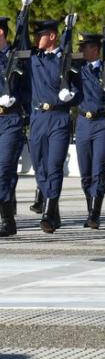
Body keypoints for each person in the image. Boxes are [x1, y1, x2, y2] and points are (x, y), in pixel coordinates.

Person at [28, 18, 79, 233]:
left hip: (59, 117)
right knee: (39, 166)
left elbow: (79, 92)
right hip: (38, 118)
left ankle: (49, 212)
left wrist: (69, 96)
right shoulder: (32, 59)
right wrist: (25, 11)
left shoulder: (66, 60)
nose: (37, 39)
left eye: (41, 35)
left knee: (54, 165)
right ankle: (53, 206)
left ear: (52, 36)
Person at [76, 32, 105, 229]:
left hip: (102, 124)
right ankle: (89, 208)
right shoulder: (77, 69)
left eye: (85, 47)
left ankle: (95, 213)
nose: (80, 50)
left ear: (96, 50)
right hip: (83, 122)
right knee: (85, 173)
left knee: (99, 170)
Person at [0, 17, 29, 236]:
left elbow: (30, 89)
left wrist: (16, 99)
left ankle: (5, 219)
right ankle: (8, 219)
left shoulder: (17, 57)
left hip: (11, 119)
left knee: (4, 169)